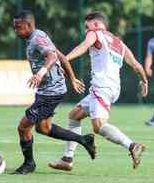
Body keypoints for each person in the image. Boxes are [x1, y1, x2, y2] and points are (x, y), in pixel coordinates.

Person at [48, 11, 148, 171]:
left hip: (102, 87)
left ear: (96, 24)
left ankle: (132, 145)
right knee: (74, 115)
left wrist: (65, 58)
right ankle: (67, 159)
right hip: (113, 88)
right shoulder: (119, 43)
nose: (86, 31)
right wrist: (144, 80)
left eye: (87, 27)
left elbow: (84, 46)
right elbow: (137, 65)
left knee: (98, 125)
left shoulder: (95, 33)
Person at [11, 10, 96, 175]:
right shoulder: (39, 36)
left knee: (23, 127)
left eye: (18, 27)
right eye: (14, 27)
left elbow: (51, 57)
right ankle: (84, 139)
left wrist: (41, 73)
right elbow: (61, 56)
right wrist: (72, 78)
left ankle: (29, 164)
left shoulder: (37, 39)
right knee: (43, 128)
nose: (16, 31)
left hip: (51, 92)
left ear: (28, 25)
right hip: (48, 90)